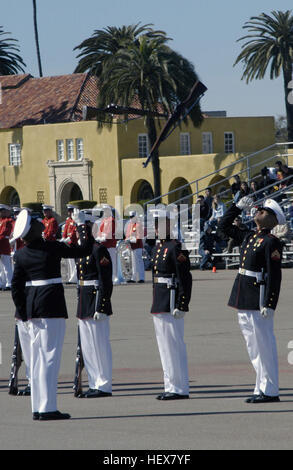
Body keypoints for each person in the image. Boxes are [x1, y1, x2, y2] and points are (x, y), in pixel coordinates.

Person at [11, 208, 92, 420]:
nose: (42, 223)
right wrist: (83, 226)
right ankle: (47, 408)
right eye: (38, 222)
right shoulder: (51, 248)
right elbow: (83, 250)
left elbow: (16, 288)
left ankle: (38, 407)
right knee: (49, 358)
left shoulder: (21, 254)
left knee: (37, 360)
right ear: (34, 230)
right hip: (51, 307)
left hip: (32, 309)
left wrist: (24, 312)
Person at [217, 195, 286, 403]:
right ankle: (261, 386)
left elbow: (275, 276)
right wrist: (236, 207)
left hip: (259, 297)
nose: (258, 212)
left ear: (273, 220)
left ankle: (270, 390)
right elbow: (223, 227)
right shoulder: (249, 236)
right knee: (253, 346)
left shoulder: (272, 242)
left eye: (263, 211)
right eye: (258, 210)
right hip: (243, 294)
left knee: (264, 344)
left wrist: (269, 303)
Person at [150, 209, 192, 400]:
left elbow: (185, 277)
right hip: (160, 301)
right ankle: (170, 385)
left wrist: (182, 304)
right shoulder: (158, 248)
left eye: (163, 223)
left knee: (174, 345)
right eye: (157, 224)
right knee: (164, 347)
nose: (158, 228)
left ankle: (180, 388)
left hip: (171, 301)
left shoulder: (176, 247)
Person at [75, 216, 113, 398]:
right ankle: (93, 382)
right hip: (84, 300)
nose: (80, 234)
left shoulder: (99, 250)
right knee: (88, 347)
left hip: (96, 299)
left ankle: (103, 384)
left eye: (83, 230)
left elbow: (106, 281)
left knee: (99, 345)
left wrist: (102, 306)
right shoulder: (81, 251)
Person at [97, 207, 119, 285]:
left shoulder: (112, 220)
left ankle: (114, 278)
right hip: (105, 244)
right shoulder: (104, 220)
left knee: (112, 262)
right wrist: (99, 237)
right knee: (106, 263)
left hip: (110, 244)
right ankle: (108, 278)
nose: (105, 213)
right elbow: (100, 230)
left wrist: (104, 236)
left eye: (106, 211)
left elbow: (110, 232)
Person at [125, 211, 145, 283]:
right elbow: (127, 235)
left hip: (138, 246)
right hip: (132, 246)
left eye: (132, 217)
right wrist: (127, 240)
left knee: (139, 262)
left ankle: (141, 277)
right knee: (133, 263)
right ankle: (133, 278)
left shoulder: (138, 225)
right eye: (130, 217)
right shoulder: (129, 225)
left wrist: (132, 239)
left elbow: (139, 236)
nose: (131, 218)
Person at [61, 204, 78, 284]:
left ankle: (74, 277)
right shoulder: (68, 220)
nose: (69, 213)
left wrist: (70, 237)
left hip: (74, 242)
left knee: (74, 261)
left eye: (70, 211)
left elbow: (75, 230)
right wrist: (63, 237)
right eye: (68, 211)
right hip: (68, 242)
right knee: (70, 262)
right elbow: (65, 230)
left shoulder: (75, 220)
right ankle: (71, 276)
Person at [0, 204, 13, 291]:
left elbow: (4, 233)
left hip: (4, 246)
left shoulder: (7, 221)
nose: (0, 213)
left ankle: (9, 283)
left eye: (2, 211)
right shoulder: (1, 221)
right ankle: (2, 283)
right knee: (0, 267)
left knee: (6, 267)